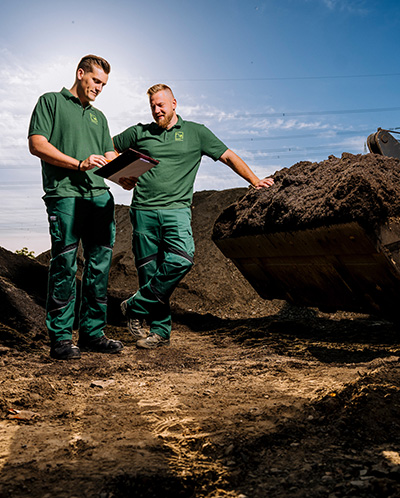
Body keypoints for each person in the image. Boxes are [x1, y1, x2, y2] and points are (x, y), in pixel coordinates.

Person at [114, 83, 274, 349]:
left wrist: (254, 180)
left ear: (174, 103)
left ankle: (134, 305)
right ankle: (160, 333)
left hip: (176, 210)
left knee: (182, 259)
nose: (157, 110)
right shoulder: (139, 132)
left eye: (161, 104)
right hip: (142, 211)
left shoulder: (195, 133)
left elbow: (228, 156)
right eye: (153, 105)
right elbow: (108, 148)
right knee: (149, 272)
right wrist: (121, 178)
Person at [28, 55, 124, 360]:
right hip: (65, 195)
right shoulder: (51, 102)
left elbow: (109, 154)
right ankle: (60, 338)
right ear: (80, 73)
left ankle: (93, 333)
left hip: (100, 197)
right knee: (66, 265)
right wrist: (78, 164)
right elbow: (37, 143)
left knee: (98, 268)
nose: (99, 88)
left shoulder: (100, 117)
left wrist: (124, 173)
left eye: (103, 85)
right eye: (96, 81)